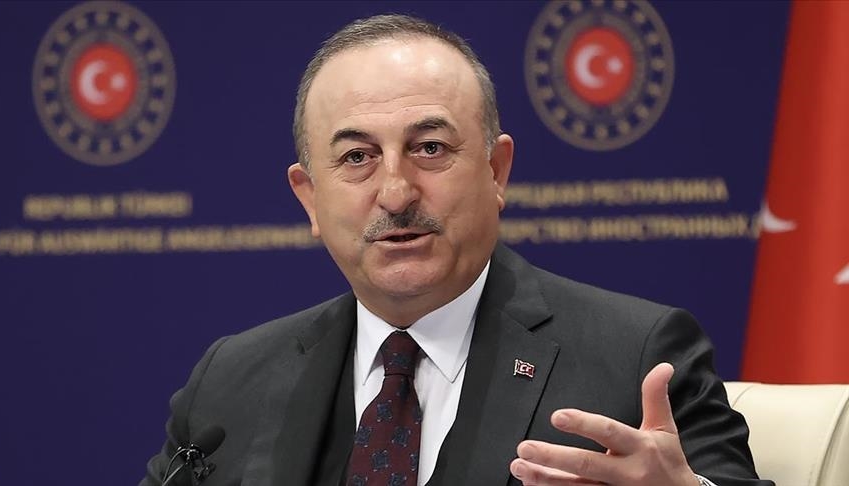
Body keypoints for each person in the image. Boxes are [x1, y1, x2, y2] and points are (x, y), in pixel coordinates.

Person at [142, 14, 770, 486]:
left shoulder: (636, 356)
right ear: (309, 197)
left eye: (430, 149)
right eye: (357, 157)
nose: (395, 192)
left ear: (497, 171)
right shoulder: (230, 381)